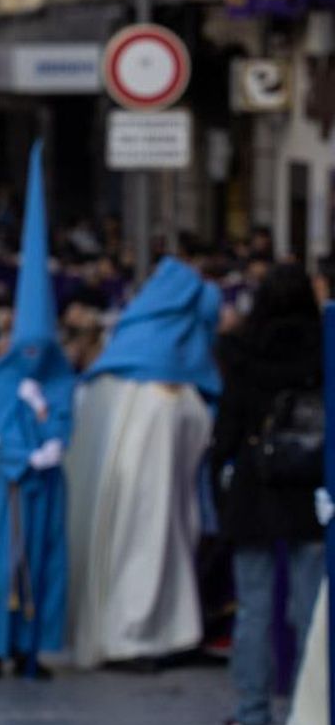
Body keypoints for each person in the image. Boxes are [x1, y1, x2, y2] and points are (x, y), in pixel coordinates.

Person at [64, 256, 220, 668]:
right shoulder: (161, 371)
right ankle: (133, 634)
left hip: (149, 483)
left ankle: (164, 630)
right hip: (147, 486)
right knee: (143, 545)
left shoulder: (119, 359)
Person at [0, 142, 72, 679]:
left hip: (48, 490)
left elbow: (65, 420)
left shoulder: (59, 379)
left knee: (46, 567)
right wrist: (22, 455)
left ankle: (32, 650)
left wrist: (55, 438)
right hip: (13, 488)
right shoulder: (4, 380)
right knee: (5, 567)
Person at [211, 264, 324, 725]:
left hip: (255, 487)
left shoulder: (242, 352)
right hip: (310, 484)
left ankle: (253, 713)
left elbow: (229, 428)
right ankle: (308, 710)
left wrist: (221, 474)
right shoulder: (322, 349)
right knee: (309, 607)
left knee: (254, 608)